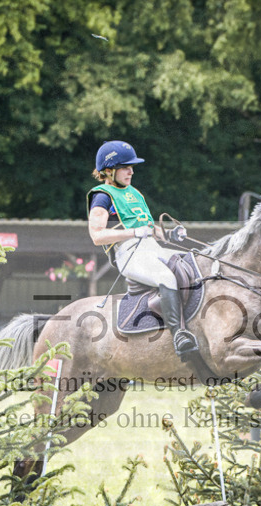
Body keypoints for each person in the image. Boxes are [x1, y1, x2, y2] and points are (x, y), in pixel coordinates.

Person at [87, 140, 198, 361]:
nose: (131, 171)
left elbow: (148, 228)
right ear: (109, 171)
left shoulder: (135, 193)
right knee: (165, 276)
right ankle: (179, 336)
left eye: (132, 167)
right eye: (126, 167)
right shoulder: (102, 196)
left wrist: (169, 234)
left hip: (151, 248)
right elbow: (97, 236)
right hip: (128, 253)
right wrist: (133, 233)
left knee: (191, 264)